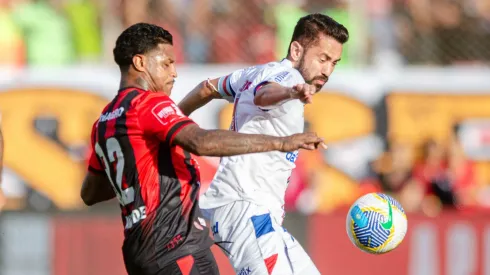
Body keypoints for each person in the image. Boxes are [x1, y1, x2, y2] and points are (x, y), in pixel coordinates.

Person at [80, 23, 324, 275]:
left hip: (139, 251)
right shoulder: (149, 104)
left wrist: (137, 173)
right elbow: (201, 142)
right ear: (140, 63)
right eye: (167, 63)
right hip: (175, 245)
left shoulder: (104, 122)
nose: (174, 73)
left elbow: (90, 193)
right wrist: (282, 142)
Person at [178, 13, 348, 274]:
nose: (327, 70)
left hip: (253, 211)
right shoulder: (288, 79)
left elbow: (206, 88)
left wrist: (172, 123)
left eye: (334, 62)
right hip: (245, 207)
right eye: (322, 58)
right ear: (296, 49)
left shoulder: (253, 72)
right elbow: (263, 95)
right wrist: (292, 92)